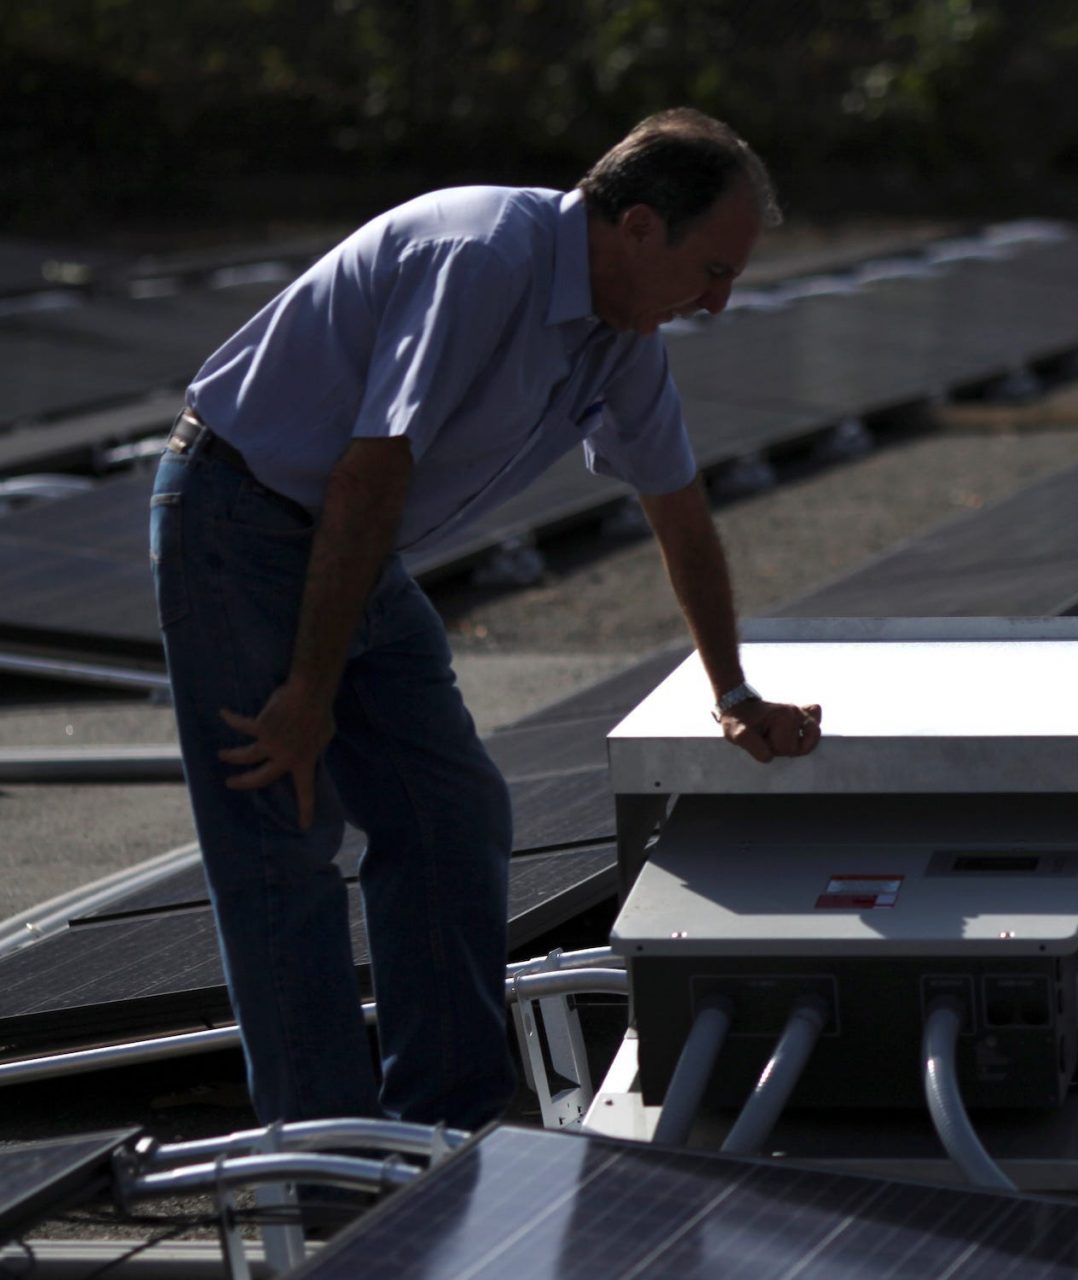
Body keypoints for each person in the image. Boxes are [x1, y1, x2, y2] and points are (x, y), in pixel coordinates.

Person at [153, 108, 820, 1130]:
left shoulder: (621, 335)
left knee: (452, 813)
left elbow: (679, 512)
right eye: (714, 271)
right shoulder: (483, 257)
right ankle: (328, 1162)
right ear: (639, 228)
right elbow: (372, 468)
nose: (718, 304)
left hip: (346, 542)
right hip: (240, 516)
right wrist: (308, 694)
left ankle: (443, 1129)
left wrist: (732, 692)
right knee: (284, 831)